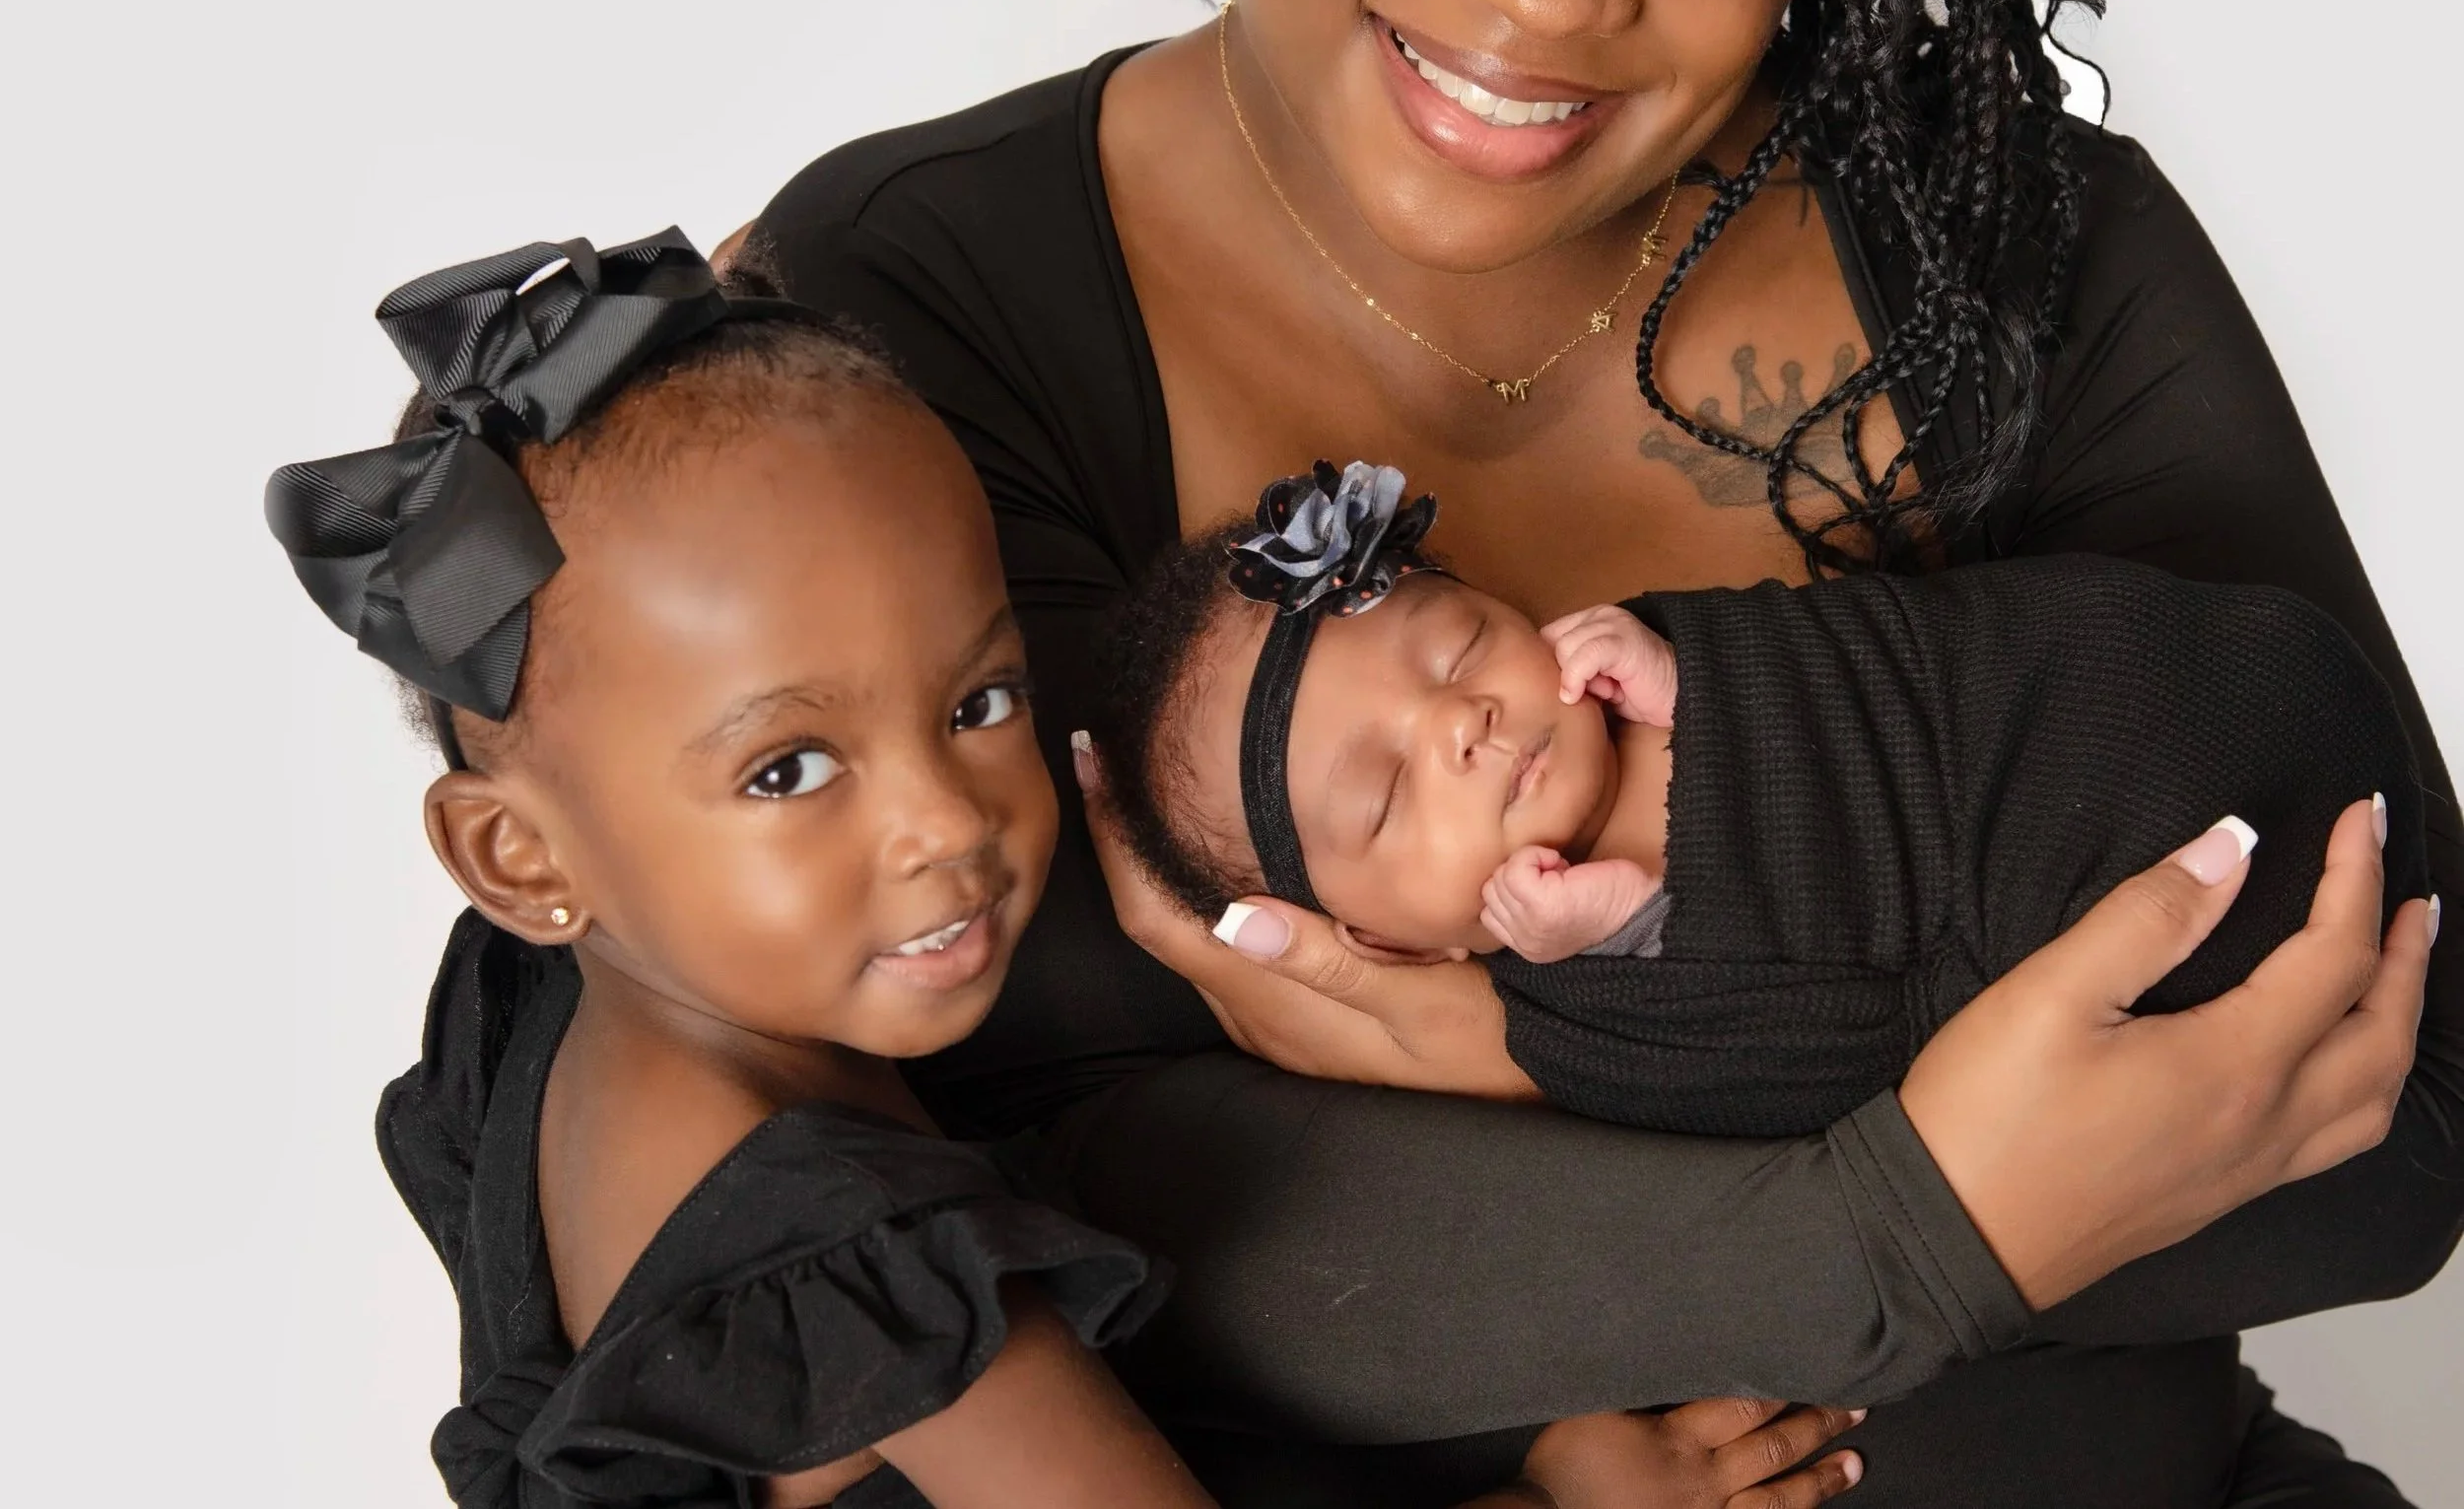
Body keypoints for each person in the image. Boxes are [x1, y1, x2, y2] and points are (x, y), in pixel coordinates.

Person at [746, 0, 2457, 1508]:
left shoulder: (2000, 256)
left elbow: (2402, 1107)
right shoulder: (936, 308)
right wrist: (1925, 1208)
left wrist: (1508, 1059)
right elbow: (1066, 1229)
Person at [271, 234, 1866, 1509]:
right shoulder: (855, 1271)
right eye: (789, 769)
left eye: (979, 704)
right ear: (518, 859)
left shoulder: (592, 1009)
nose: (947, 824)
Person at [1087, 458, 2430, 1134]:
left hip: (2185, 698)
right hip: (2144, 912)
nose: (1459, 723)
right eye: (1380, 797)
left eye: (1456, 644)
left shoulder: (1664, 657)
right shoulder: (1572, 1002)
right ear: (1384, 942)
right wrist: (1630, 944)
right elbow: (1825, 1065)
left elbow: (1914, 670)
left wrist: (1711, 684)